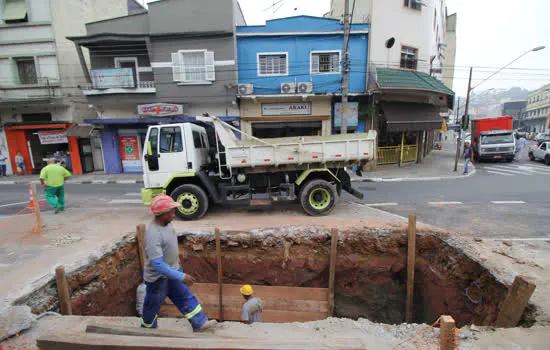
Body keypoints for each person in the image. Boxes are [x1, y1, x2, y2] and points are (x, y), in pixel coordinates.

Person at [141, 195, 212, 332]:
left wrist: (177, 269)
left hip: (173, 272)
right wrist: (180, 276)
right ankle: (147, 329)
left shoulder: (169, 224)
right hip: (158, 280)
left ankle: (200, 323)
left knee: (185, 296)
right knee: (152, 306)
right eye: (171, 212)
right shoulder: (153, 235)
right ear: (162, 214)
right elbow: (157, 265)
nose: (174, 214)